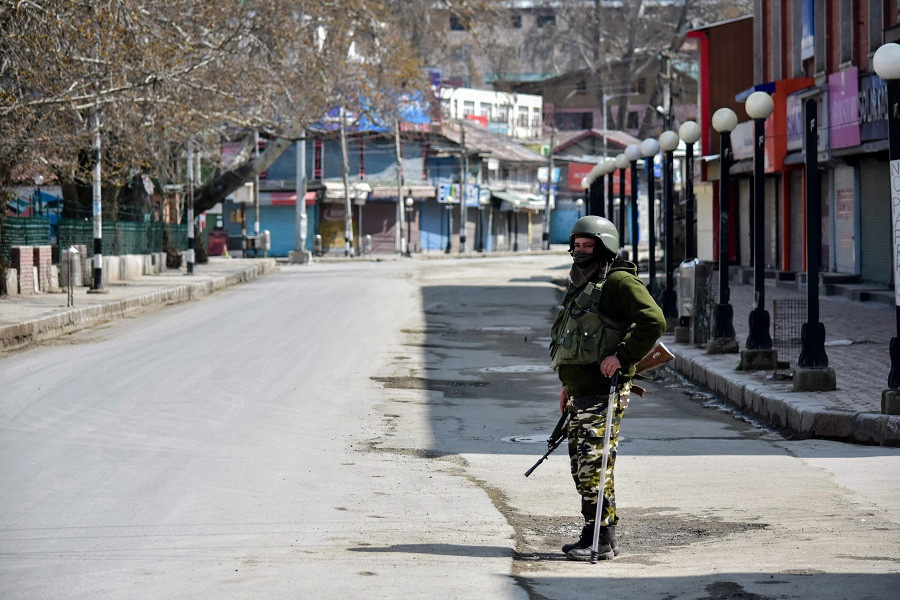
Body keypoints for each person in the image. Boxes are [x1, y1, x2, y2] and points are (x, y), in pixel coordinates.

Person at [549, 215, 665, 561]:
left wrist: (622, 356)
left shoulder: (618, 282)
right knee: (581, 466)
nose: (581, 252)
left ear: (605, 247)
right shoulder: (583, 281)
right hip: (581, 391)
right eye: (578, 245)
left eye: (589, 246)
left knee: (595, 466)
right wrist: (568, 386)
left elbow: (653, 320)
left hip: (604, 391)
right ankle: (592, 532)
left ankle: (602, 539)